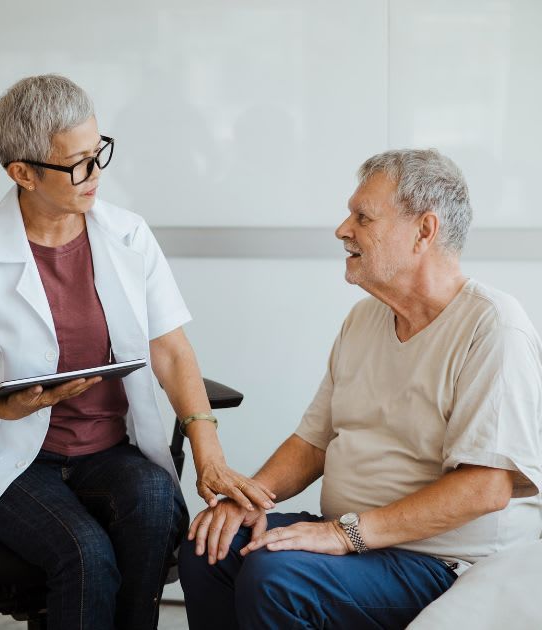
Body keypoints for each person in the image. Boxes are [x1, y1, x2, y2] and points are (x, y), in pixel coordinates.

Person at [0, 74, 272, 630]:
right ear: (21, 173)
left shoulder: (129, 235)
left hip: (109, 452)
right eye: (76, 164)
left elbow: (169, 348)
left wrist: (208, 450)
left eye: (98, 154)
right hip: (13, 458)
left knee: (151, 508)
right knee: (87, 556)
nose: (95, 174)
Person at [178, 148, 542, 630]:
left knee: (278, 576)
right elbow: (313, 443)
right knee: (210, 547)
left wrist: (345, 534)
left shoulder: (493, 327)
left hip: (441, 559)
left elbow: (486, 488)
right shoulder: (364, 319)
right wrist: (246, 500)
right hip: (359, 540)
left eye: (363, 217)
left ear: (424, 232)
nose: (343, 229)